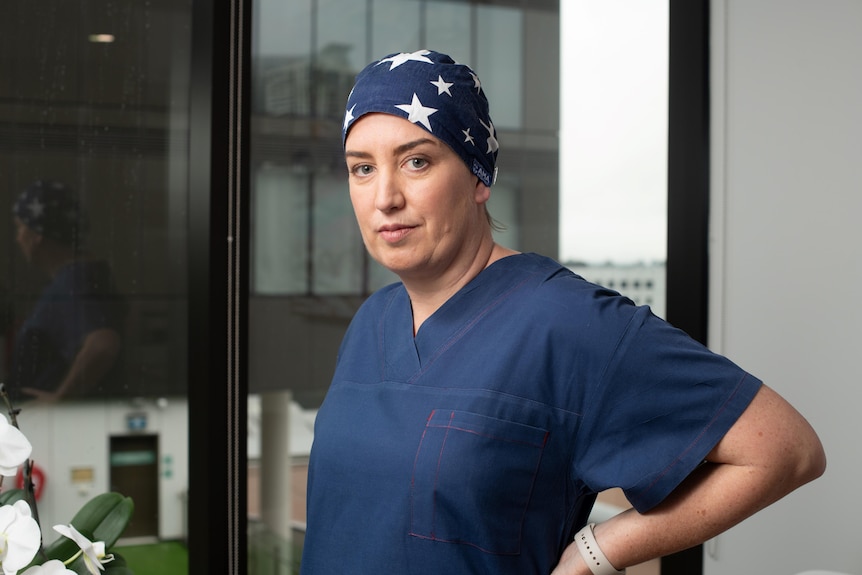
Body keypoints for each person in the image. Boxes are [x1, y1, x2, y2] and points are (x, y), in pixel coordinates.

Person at [300, 50, 825, 574]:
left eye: (416, 161)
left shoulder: (568, 323)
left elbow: (786, 450)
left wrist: (597, 552)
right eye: (363, 169)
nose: (385, 197)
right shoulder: (372, 321)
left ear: (479, 176)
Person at [6, 179, 126, 403]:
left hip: (58, 421)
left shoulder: (73, 282)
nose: (18, 237)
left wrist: (60, 399)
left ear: (37, 235)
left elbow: (103, 344)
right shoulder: (84, 277)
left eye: (20, 227)